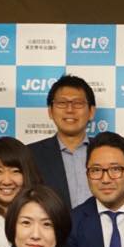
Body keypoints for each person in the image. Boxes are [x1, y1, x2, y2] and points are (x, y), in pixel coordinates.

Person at [27, 75, 96, 209]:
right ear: (50, 111)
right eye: (62, 103)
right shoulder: (30, 155)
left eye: (78, 103)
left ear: (91, 111)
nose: (70, 110)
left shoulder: (107, 152)